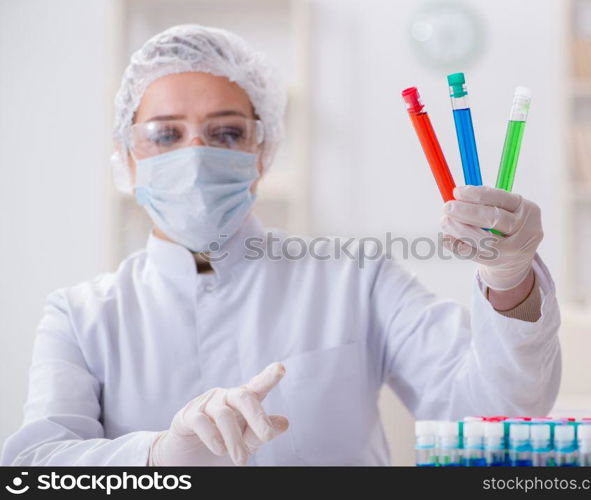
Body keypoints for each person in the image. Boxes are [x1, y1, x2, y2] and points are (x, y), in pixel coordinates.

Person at [1, 25, 560, 466]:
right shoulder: (81, 317)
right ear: (126, 156)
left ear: (263, 151)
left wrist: (508, 280)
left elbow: (494, 419)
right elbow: (38, 468)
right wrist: (155, 457)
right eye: (166, 134)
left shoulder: (354, 278)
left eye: (225, 133)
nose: (195, 156)